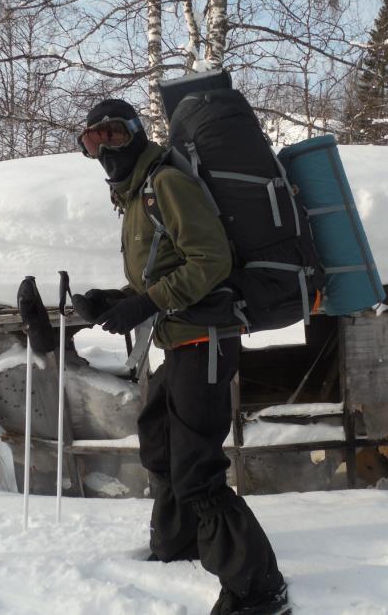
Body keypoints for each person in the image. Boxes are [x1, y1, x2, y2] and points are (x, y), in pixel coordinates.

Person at [74, 99, 290, 615]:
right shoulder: (133, 198)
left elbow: (210, 260)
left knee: (196, 466)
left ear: (136, 133)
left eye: (114, 136)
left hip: (206, 339)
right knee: (161, 443)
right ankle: (180, 541)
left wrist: (145, 303)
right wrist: (114, 298)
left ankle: (260, 590)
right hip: (179, 340)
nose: (105, 150)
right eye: (92, 141)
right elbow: (157, 270)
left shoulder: (165, 183)